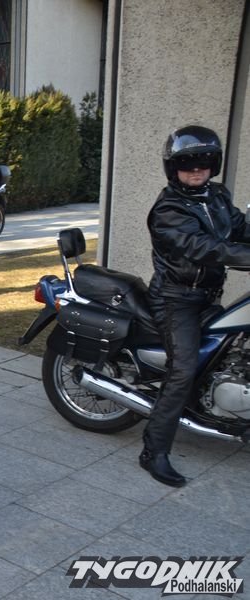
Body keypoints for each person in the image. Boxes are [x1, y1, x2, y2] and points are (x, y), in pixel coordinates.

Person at [142, 125, 250, 487]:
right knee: (182, 370)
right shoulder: (168, 209)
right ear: (173, 168)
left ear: (213, 165)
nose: (196, 169)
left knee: (229, 350)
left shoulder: (216, 196)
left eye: (203, 162)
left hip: (206, 296)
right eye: (187, 163)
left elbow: (239, 228)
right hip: (176, 302)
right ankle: (153, 452)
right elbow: (205, 248)